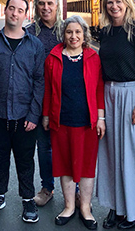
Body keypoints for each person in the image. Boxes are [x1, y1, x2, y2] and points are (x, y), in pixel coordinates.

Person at [0, 0, 45, 223]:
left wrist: (34, 114)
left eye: (20, 10)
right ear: (5, 11)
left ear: (26, 15)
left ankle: (27, 199)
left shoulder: (35, 45)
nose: (15, 13)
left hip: (25, 115)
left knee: (25, 159)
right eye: (11, 9)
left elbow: (39, 81)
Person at [95, 0, 135, 230]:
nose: (114, 6)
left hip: (133, 96)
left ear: (127, 3)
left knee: (133, 156)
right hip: (110, 94)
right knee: (110, 155)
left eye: (118, 2)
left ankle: (134, 211)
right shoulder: (106, 32)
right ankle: (116, 208)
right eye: (110, 3)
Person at [42, 15, 105, 230]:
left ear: (84, 34)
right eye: (69, 32)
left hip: (87, 122)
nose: (73, 36)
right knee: (65, 165)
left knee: (87, 167)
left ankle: (85, 208)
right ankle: (69, 206)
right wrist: (46, 115)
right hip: (62, 120)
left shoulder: (92, 57)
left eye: (78, 32)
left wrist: (101, 118)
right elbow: (48, 88)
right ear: (63, 34)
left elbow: (99, 89)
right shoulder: (53, 57)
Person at [25, 0, 63, 207]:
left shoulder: (69, 30)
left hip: (67, 98)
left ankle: (75, 189)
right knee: (45, 146)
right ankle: (47, 187)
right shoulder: (29, 32)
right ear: (36, 7)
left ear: (57, 5)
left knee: (67, 144)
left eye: (50, 3)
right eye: (41, 3)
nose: (46, 7)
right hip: (39, 98)